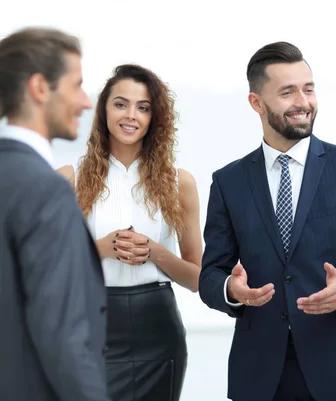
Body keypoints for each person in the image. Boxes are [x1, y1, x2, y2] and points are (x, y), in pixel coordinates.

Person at [199, 41, 336, 401]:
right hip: (262, 370)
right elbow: (210, 274)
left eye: (308, 89)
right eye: (287, 92)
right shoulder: (227, 182)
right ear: (256, 103)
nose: (303, 102)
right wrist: (232, 290)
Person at [57, 64, 203, 401]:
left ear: (155, 117)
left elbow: (198, 279)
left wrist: (155, 251)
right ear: (103, 109)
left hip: (158, 330)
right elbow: (48, 267)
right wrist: (101, 249)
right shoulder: (69, 179)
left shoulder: (181, 183)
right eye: (121, 104)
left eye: (143, 107)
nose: (131, 115)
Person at [0, 27, 109, 401]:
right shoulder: (46, 190)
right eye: (76, 85)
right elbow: (62, 332)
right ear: (40, 88)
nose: (84, 101)